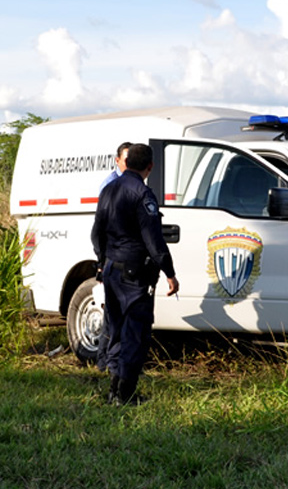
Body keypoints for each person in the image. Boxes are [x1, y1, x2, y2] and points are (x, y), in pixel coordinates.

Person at [91, 143, 179, 405]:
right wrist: (170, 273)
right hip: (134, 273)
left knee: (116, 330)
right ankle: (125, 395)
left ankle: (113, 392)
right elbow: (153, 240)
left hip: (111, 270)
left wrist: (102, 260)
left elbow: (96, 233)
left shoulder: (108, 190)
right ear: (149, 167)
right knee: (135, 333)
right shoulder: (142, 194)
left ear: (125, 162)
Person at [95, 141, 133, 372]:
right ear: (117, 160)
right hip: (112, 256)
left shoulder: (128, 184)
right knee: (113, 314)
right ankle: (104, 361)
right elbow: (103, 226)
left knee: (116, 314)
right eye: (125, 159)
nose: (128, 164)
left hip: (121, 256)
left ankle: (110, 360)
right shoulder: (110, 185)